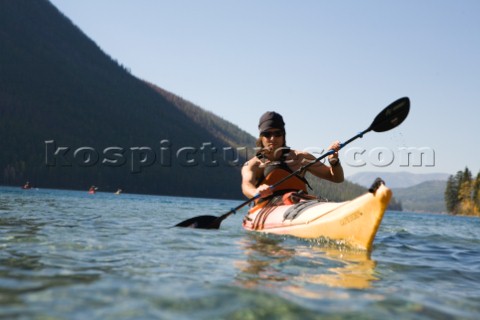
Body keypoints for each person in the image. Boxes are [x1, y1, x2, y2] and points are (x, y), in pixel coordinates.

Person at [241, 111, 344, 200]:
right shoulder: (253, 164)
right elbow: (246, 184)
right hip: (269, 209)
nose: (272, 138)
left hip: (299, 206)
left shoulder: (301, 158)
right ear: (261, 137)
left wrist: (334, 161)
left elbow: (336, 178)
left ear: (283, 135)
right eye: (267, 134)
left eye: (277, 134)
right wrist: (255, 192)